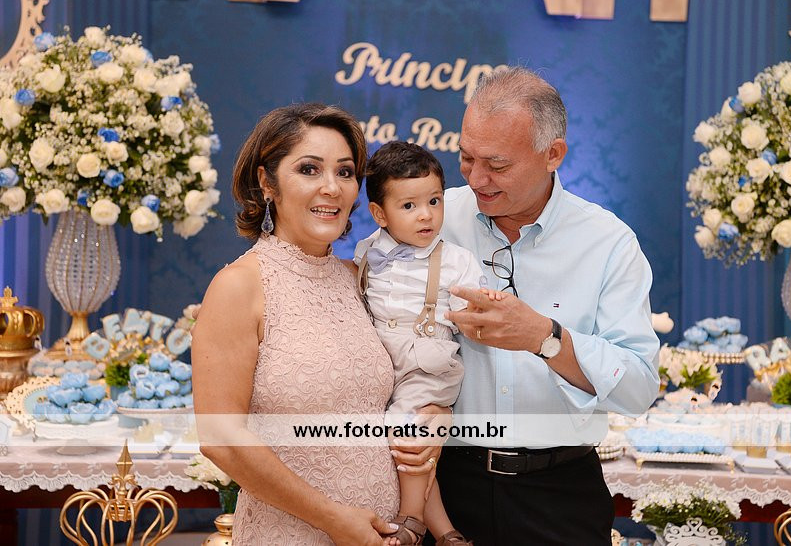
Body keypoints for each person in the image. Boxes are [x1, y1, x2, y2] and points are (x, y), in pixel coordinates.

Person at [394, 67, 661, 545]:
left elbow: (637, 388)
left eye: (497, 165)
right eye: (466, 158)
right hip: (444, 488)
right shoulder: (431, 218)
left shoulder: (608, 243)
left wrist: (546, 338)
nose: (477, 179)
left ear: (552, 154)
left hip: (560, 495)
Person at [191, 103, 401, 545]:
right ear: (267, 183)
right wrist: (332, 519)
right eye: (309, 169)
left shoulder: (355, 278)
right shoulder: (239, 286)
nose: (332, 188)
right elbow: (220, 438)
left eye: (345, 172)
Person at [353, 141, 487, 546]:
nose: (426, 214)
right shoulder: (367, 251)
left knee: (409, 432)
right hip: (382, 356)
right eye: (409, 206)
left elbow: (472, 313)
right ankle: (446, 531)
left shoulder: (456, 260)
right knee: (395, 444)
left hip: (426, 359)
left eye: (434, 201)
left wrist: (480, 308)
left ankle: (411, 519)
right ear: (380, 214)